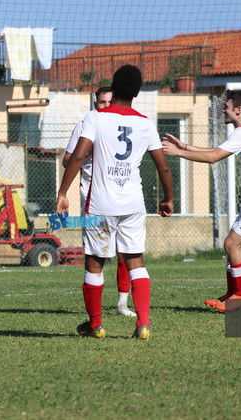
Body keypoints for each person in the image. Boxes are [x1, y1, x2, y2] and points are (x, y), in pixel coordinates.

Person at [57, 65, 173, 340]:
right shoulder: (145, 123)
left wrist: (63, 192)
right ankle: (143, 323)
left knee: (94, 263)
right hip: (132, 204)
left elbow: (76, 157)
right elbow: (164, 168)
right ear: (137, 92)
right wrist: (168, 199)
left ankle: (95, 325)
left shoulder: (96, 117)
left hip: (100, 204)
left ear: (114, 86)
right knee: (136, 262)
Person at [162, 89, 241, 312]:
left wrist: (178, 153)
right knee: (231, 244)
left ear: (238, 110)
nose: (223, 110)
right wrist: (184, 146)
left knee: (232, 243)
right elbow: (215, 151)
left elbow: (212, 157)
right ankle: (233, 293)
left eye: (227, 106)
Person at [62, 86, 136, 318]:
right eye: (100, 103)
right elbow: (68, 160)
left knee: (125, 252)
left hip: (121, 197)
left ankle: (122, 304)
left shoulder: (124, 127)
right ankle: (94, 316)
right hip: (94, 199)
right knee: (97, 256)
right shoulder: (84, 126)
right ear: (95, 104)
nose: (103, 107)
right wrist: (86, 151)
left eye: (107, 102)